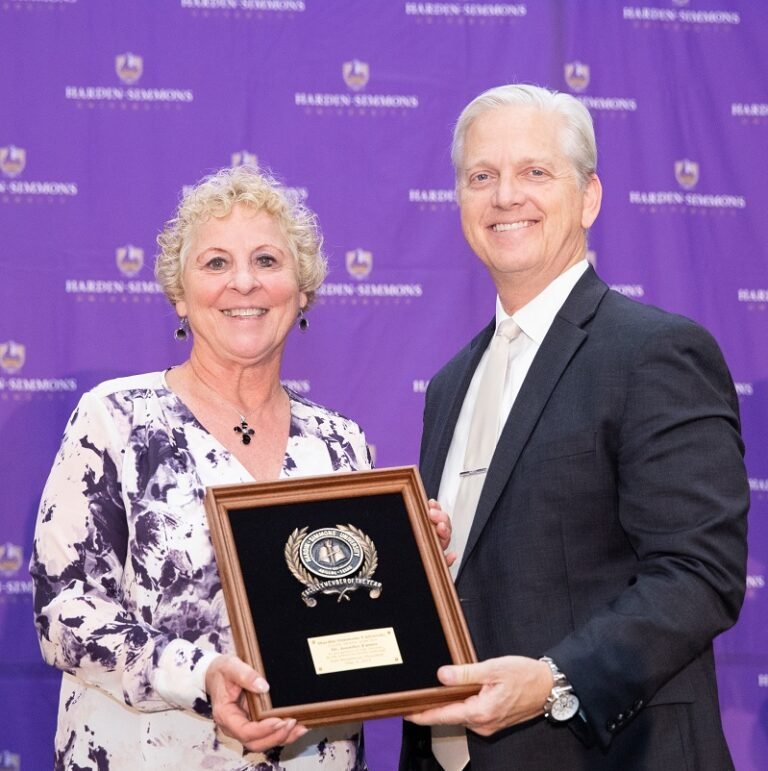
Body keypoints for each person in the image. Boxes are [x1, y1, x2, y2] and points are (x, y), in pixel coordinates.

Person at [29, 165, 450, 771]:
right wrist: (200, 676)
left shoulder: (339, 444)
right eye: (216, 263)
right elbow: (64, 610)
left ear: (303, 289)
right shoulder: (115, 421)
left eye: (268, 262)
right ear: (179, 292)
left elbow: (350, 608)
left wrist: (413, 565)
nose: (244, 283)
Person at [400, 84, 749, 771]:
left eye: (534, 172)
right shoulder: (448, 385)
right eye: (482, 176)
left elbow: (698, 573)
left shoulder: (655, 352)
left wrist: (555, 679)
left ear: (589, 197)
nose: (505, 196)